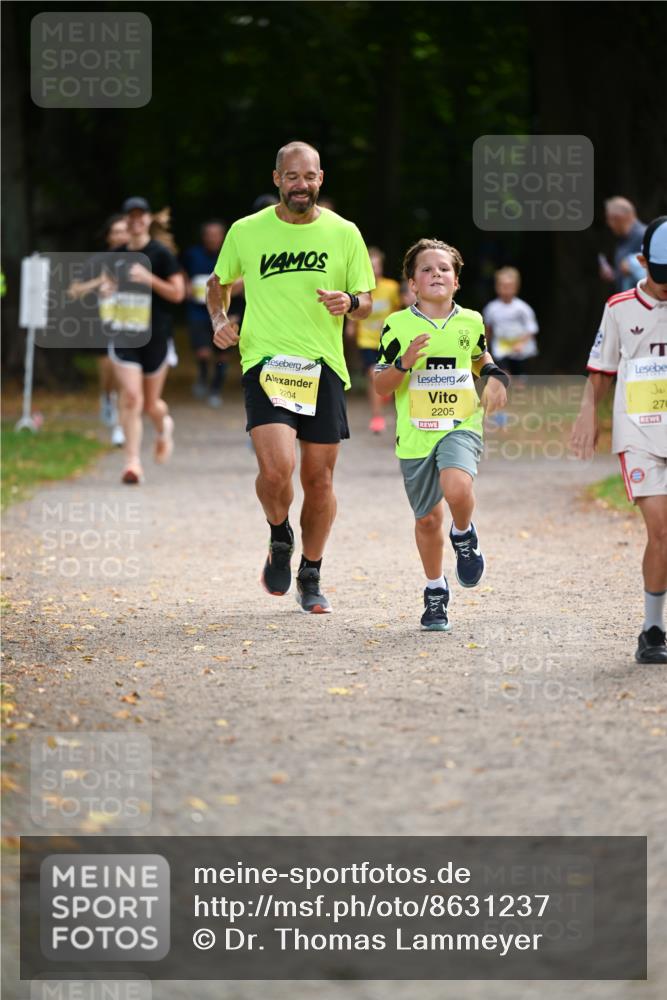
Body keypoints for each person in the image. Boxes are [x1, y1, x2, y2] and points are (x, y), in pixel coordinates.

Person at [207, 141, 375, 613]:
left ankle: (311, 571)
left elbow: (368, 300)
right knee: (277, 470)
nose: (302, 185)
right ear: (277, 178)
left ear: (322, 179)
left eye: (311, 177)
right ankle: (279, 534)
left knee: (319, 480)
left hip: (323, 367)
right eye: (293, 176)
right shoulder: (247, 231)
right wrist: (220, 321)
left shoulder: (345, 233)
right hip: (268, 362)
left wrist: (352, 304)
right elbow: (216, 284)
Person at [374, 238, 508, 632]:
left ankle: (463, 533)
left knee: (457, 489)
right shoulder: (397, 325)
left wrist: (494, 375)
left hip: (461, 423)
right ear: (412, 283)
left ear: (457, 281)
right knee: (428, 520)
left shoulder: (471, 321)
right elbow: (382, 384)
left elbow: (480, 356)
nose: (436, 274)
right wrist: (403, 363)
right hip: (415, 434)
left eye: (444, 269)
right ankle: (435, 590)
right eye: (427, 270)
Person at [571, 216, 667, 664]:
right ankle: (652, 630)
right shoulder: (619, 307)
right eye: (660, 276)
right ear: (642, 262)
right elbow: (602, 368)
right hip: (640, 431)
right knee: (661, 530)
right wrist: (589, 413)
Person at [110, 196, 185, 484]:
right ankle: (132, 462)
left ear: (148, 219)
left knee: (151, 404)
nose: (135, 220)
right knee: (131, 397)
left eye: (141, 215)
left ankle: (163, 425)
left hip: (156, 335)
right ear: (126, 220)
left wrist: (147, 278)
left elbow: (178, 294)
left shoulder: (161, 254)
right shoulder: (116, 254)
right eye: (130, 215)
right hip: (124, 334)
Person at [346, 246, 401, 433]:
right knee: (373, 375)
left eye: (376, 266)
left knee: (388, 377)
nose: (373, 270)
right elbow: (353, 311)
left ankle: (384, 393)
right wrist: (351, 326)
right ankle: (377, 417)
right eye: (369, 266)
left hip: (388, 340)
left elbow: (399, 311)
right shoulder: (359, 289)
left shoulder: (392, 288)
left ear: (381, 267)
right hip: (367, 341)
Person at [182, 220, 235, 407]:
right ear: (204, 237)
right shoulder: (192, 254)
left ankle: (215, 390)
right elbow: (181, 271)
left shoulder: (232, 254)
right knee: (203, 353)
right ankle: (203, 376)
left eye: (216, 235)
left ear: (223, 237)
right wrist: (186, 284)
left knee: (222, 355)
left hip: (225, 310)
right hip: (198, 311)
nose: (213, 238)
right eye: (209, 235)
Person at [598, 197, 646, 292]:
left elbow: (655, 272)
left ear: (619, 217)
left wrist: (633, 266)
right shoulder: (623, 240)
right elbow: (627, 274)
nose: (608, 224)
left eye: (610, 219)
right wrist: (615, 275)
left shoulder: (645, 236)